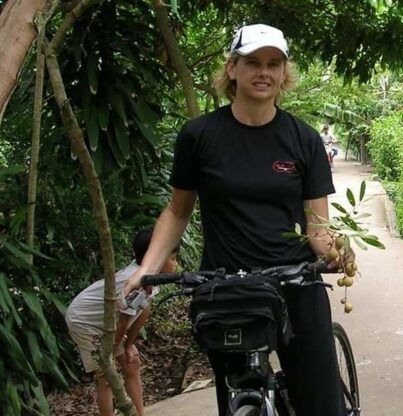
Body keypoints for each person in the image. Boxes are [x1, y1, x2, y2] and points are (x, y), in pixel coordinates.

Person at [122, 24, 345, 416]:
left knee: (322, 406)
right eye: (253, 62)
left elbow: (317, 226)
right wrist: (147, 268)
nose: (264, 72)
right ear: (232, 69)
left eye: (273, 64)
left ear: (283, 73)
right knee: (234, 401)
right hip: (225, 288)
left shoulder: (304, 139)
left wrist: (337, 251)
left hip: (293, 281)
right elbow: (177, 211)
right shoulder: (199, 136)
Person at [65, 227, 178, 416]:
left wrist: (129, 345)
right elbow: (123, 322)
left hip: (108, 320)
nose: (175, 264)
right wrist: (110, 354)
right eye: (173, 258)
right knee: (106, 377)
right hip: (84, 321)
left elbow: (144, 310)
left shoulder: (150, 278)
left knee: (131, 364)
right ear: (157, 257)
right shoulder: (137, 282)